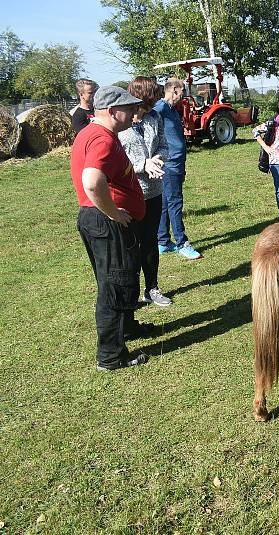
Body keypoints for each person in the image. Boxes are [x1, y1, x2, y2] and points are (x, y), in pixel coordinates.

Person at [70, 86, 152, 371]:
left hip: (98, 220)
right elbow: (92, 181)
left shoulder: (93, 134)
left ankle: (125, 329)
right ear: (110, 111)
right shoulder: (102, 139)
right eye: (129, 108)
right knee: (115, 286)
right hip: (106, 223)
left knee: (120, 280)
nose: (134, 113)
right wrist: (114, 213)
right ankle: (111, 356)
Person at [119, 76, 172, 307]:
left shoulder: (155, 117)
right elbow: (116, 156)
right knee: (130, 245)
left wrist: (158, 159)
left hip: (153, 190)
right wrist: (142, 165)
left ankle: (152, 288)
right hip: (129, 192)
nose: (152, 105)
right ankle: (130, 294)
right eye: (149, 100)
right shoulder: (120, 122)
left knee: (150, 241)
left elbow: (163, 145)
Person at [154, 78, 202, 260]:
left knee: (166, 203)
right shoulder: (161, 107)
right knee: (175, 203)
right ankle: (182, 243)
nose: (184, 95)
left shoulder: (172, 109)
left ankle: (163, 241)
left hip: (177, 163)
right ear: (174, 90)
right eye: (182, 91)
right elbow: (148, 117)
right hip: (169, 164)